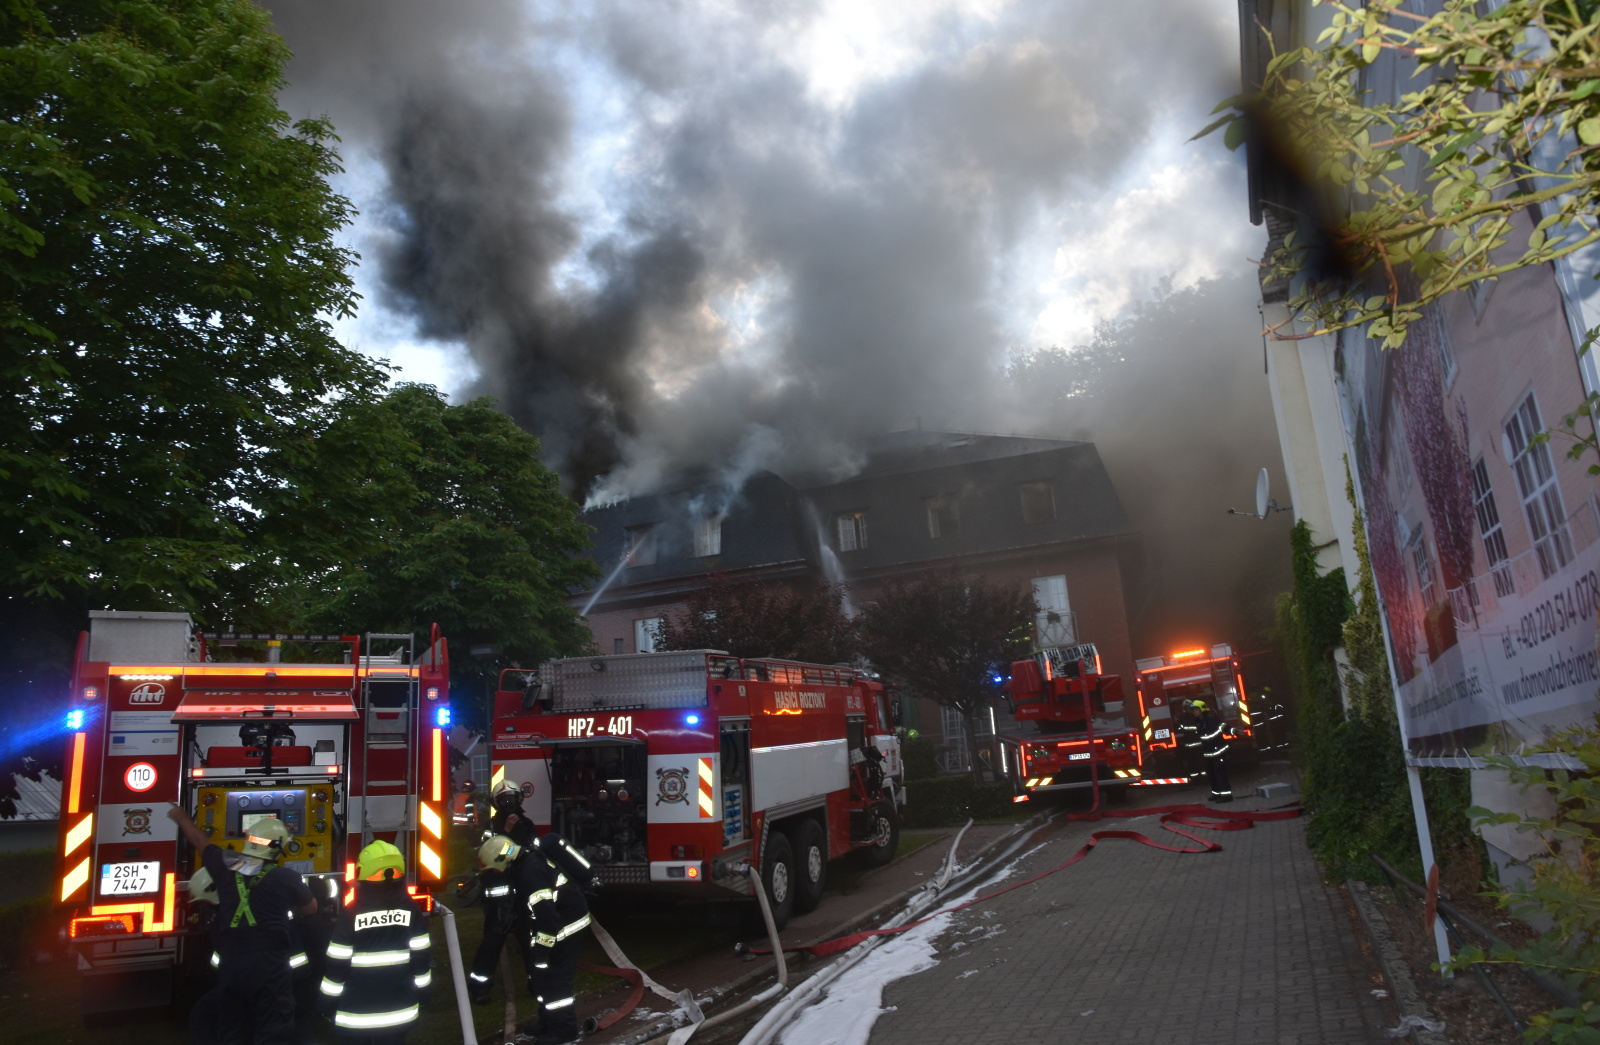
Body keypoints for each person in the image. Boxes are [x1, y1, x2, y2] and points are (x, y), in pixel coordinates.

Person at [168, 804, 318, 1045]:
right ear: (277, 848)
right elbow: (312, 908)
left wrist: (181, 818)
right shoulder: (284, 877)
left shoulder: (226, 864)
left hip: (233, 963)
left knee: (233, 1026)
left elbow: (200, 841)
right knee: (274, 1028)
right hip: (270, 965)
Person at [479, 829, 596, 1045]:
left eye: (495, 869)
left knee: (555, 976)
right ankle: (548, 1022)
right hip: (555, 921)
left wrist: (542, 952)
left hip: (567, 922)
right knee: (540, 975)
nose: (496, 874)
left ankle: (564, 1031)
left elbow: (547, 918)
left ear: (504, 860)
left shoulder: (529, 873)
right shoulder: (523, 865)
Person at [318, 840, 433, 1042]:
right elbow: (421, 957)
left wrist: (326, 1003)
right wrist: (424, 995)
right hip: (399, 1014)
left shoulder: (352, 911)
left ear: (364, 872)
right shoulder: (411, 908)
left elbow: (337, 963)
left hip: (355, 1016)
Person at [467, 779, 538, 1003]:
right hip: (499, 898)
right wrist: (503, 832)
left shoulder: (527, 824)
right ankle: (480, 989)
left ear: (519, 800)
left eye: (511, 799)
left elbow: (532, 853)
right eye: (503, 800)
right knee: (491, 944)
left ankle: (536, 983)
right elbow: (487, 857)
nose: (508, 804)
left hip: (524, 893)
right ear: (497, 803)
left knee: (530, 942)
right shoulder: (490, 828)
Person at [1196, 700, 1235, 802]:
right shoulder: (1199, 722)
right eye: (1193, 710)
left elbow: (1223, 727)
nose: (1194, 711)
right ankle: (1216, 794)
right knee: (1211, 774)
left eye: (1196, 709)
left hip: (1218, 752)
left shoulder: (1211, 719)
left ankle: (1227, 796)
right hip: (1209, 754)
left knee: (1220, 774)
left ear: (1202, 709)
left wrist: (1235, 731)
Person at [1175, 700, 1205, 784]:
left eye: (1189, 707)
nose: (1189, 709)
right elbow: (1180, 728)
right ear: (1185, 708)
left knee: (1201, 762)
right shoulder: (1183, 718)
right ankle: (1195, 780)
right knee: (1192, 764)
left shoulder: (1196, 717)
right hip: (1189, 745)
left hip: (1198, 744)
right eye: (1187, 707)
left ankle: (1205, 778)